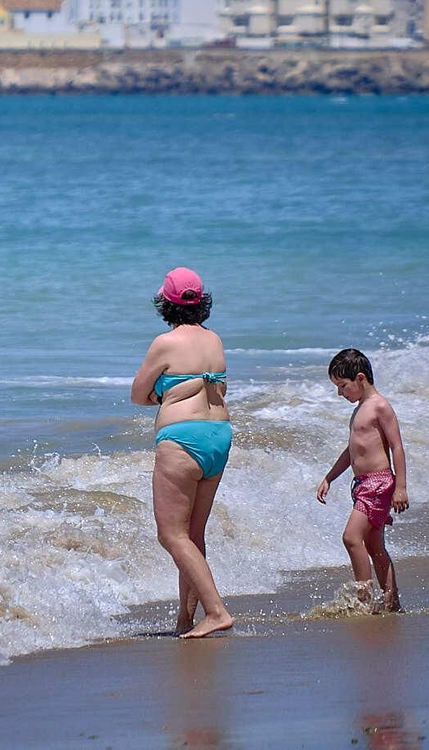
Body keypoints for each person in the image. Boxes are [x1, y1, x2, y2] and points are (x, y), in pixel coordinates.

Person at [130, 267, 235, 638]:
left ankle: (217, 611)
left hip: (182, 439)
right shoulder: (215, 340)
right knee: (192, 534)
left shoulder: (165, 343)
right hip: (219, 435)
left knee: (171, 535)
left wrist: (163, 397)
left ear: (166, 303)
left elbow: (137, 394)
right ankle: (186, 620)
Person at [315, 348, 409, 612]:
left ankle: (363, 600)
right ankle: (391, 602)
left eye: (342, 386)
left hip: (378, 483)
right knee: (374, 545)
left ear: (360, 378)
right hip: (363, 485)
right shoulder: (359, 410)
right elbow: (351, 451)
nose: (339, 393)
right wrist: (329, 477)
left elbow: (397, 447)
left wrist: (400, 487)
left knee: (351, 537)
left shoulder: (379, 406)